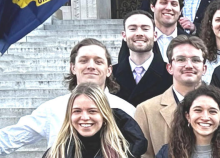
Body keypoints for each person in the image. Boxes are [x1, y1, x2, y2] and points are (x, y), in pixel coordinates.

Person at [0, 39, 135, 155]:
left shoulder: (127, 109)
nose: (91, 66)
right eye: (83, 61)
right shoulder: (52, 108)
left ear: (109, 70)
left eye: (98, 62)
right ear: (73, 68)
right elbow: (10, 138)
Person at [135, 35, 208, 158]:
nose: (189, 65)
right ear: (169, 67)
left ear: (204, 68)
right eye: (181, 59)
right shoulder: (146, 110)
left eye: (195, 60)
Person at [43, 84, 147, 158]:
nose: (84, 117)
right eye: (77, 111)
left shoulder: (126, 152)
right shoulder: (55, 153)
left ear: (104, 115)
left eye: (92, 111)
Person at [155, 85, 220, 158]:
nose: (205, 117)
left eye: (212, 111)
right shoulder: (168, 153)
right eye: (198, 110)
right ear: (188, 116)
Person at [113, 10, 172, 107]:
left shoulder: (170, 75)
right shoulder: (111, 75)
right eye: (132, 29)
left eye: (145, 29)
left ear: (155, 35)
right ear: (124, 35)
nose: (139, 33)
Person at [122, 0, 187, 63]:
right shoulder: (135, 40)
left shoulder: (189, 40)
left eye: (174, 4)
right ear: (152, 6)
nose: (169, 8)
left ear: (180, 10)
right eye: (163, 3)